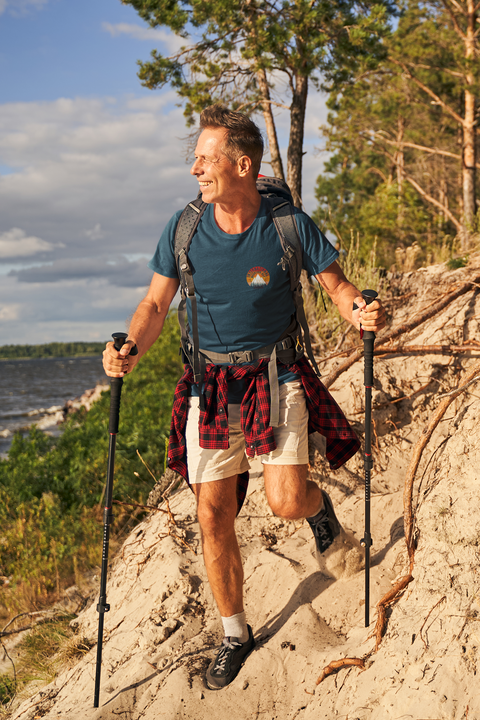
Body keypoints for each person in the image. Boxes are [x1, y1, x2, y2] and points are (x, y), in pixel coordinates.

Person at [103, 104, 386, 691]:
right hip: (209, 385)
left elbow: (336, 286)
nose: (195, 171)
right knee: (213, 513)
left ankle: (321, 513)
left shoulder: (286, 225)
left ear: (242, 164)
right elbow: (154, 307)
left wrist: (361, 311)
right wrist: (129, 346)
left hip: (277, 376)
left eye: (205, 160)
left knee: (286, 501)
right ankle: (235, 631)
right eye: (196, 159)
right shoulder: (183, 229)